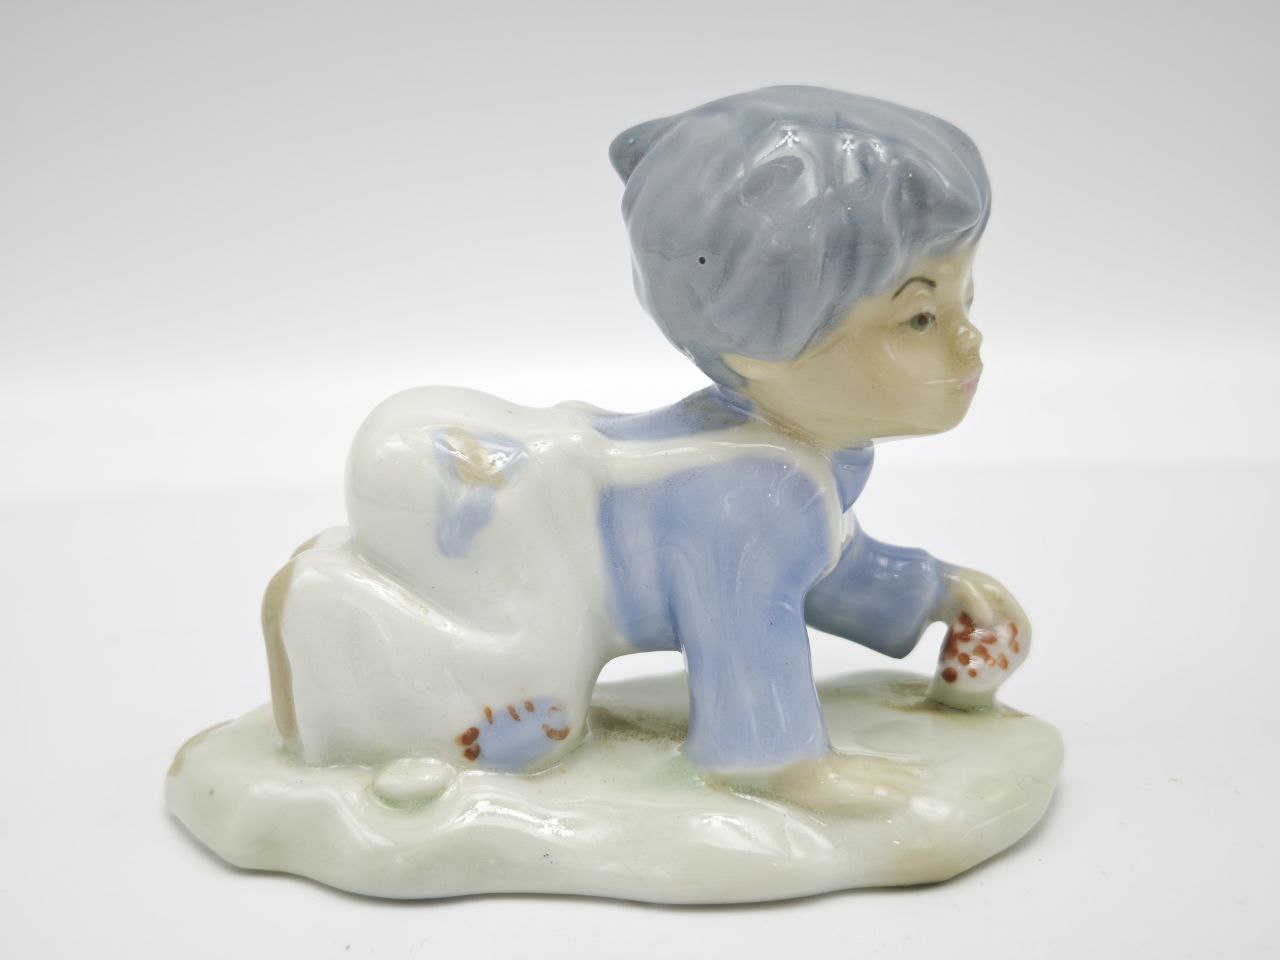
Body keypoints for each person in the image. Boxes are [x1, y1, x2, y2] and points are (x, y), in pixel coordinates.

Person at [265, 86, 1031, 813]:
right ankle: (330, 614)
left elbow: (823, 563)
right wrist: (790, 768)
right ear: (764, 342)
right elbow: (745, 640)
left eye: (965, 299)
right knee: (528, 729)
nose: (969, 338)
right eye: (920, 317)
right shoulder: (756, 496)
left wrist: (931, 592)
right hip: (536, 569)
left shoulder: (787, 461)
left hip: (544, 494)